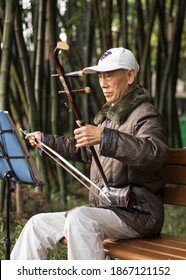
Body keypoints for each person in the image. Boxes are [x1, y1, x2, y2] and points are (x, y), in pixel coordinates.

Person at [11, 47, 168, 260]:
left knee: (80, 218)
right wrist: (46, 141)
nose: (103, 83)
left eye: (109, 75)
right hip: (106, 209)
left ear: (130, 75)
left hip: (137, 214)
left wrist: (104, 137)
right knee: (37, 224)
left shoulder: (145, 114)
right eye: (100, 76)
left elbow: (153, 154)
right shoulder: (109, 117)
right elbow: (86, 153)